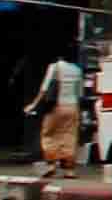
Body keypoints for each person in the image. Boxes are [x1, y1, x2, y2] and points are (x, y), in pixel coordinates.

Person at [28, 44, 87, 178]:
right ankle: (69, 170)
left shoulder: (55, 67)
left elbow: (44, 88)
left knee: (49, 134)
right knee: (70, 136)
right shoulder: (77, 70)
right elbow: (80, 93)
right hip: (73, 107)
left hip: (56, 107)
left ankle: (51, 165)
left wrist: (34, 104)